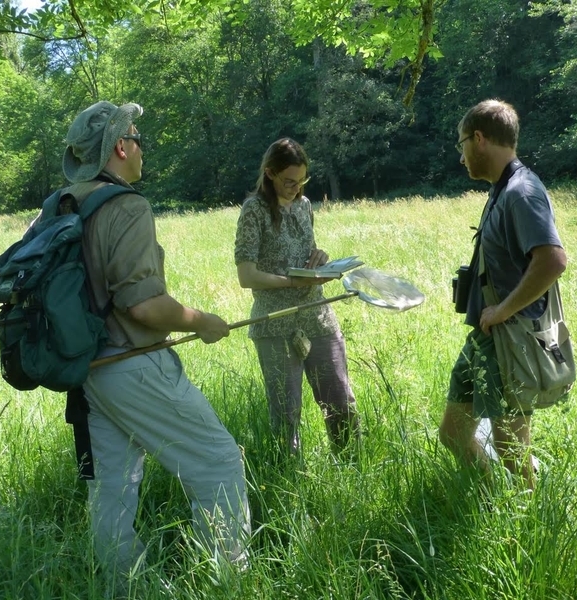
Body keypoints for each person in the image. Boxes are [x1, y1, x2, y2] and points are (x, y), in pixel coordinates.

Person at [59, 101, 250, 579]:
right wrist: (203, 320)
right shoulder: (126, 205)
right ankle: (227, 578)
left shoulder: (65, 202)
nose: (142, 146)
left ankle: (124, 585)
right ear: (120, 146)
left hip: (89, 372)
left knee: (111, 488)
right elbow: (141, 305)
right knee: (219, 461)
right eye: (137, 137)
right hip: (133, 363)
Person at [438, 99, 568, 489]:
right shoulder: (501, 189)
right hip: (484, 340)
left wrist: (502, 310)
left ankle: (530, 520)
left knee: (510, 446)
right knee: (453, 435)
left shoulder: (522, 192)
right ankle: (493, 500)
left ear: (479, 139)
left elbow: (552, 261)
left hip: (511, 342)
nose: (461, 157)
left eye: (462, 144)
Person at [234, 137, 360, 460]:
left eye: (301, 180)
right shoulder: (254, 211)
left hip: (316, 315)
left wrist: (319, 258)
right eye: (288, 181)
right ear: (270, 173)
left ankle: (352, 468)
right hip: (275, 323)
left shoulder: (304, 207)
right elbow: (246, 275)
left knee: (341, 402)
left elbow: (307, 251)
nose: (295, 187)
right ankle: (291, 484)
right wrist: (288, 282)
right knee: (286, 416)